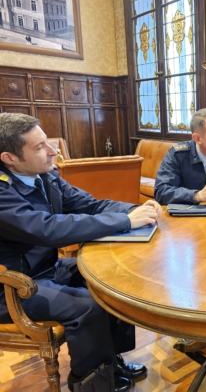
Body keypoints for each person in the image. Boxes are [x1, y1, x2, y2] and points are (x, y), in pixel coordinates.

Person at [0, 113, 162, 392]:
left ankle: (110, 364)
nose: (53, 151)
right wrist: (125, 223)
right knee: (86, 306)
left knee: (111, 280)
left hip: (44, 270)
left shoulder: (46, 176)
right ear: (9, 158)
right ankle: (93, 384)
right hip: (11, 285)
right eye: (39, 147)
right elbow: (46, 229)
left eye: (47, 142)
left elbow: (89, 204)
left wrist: (132, 209)